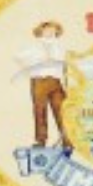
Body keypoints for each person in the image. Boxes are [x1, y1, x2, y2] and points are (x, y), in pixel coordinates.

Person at [12, 19, 71, 151]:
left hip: (56, 82)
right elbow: (17, 57)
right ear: (41, 32)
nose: (49, 32)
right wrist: (34, 63)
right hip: (39, 82)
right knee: (40, 111)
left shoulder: (61, 47)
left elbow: (67, 64)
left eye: (52, 30)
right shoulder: (34, 47)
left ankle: (67, 140)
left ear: (57, 31)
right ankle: (41, 141)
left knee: (63, 111)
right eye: (46, 30)